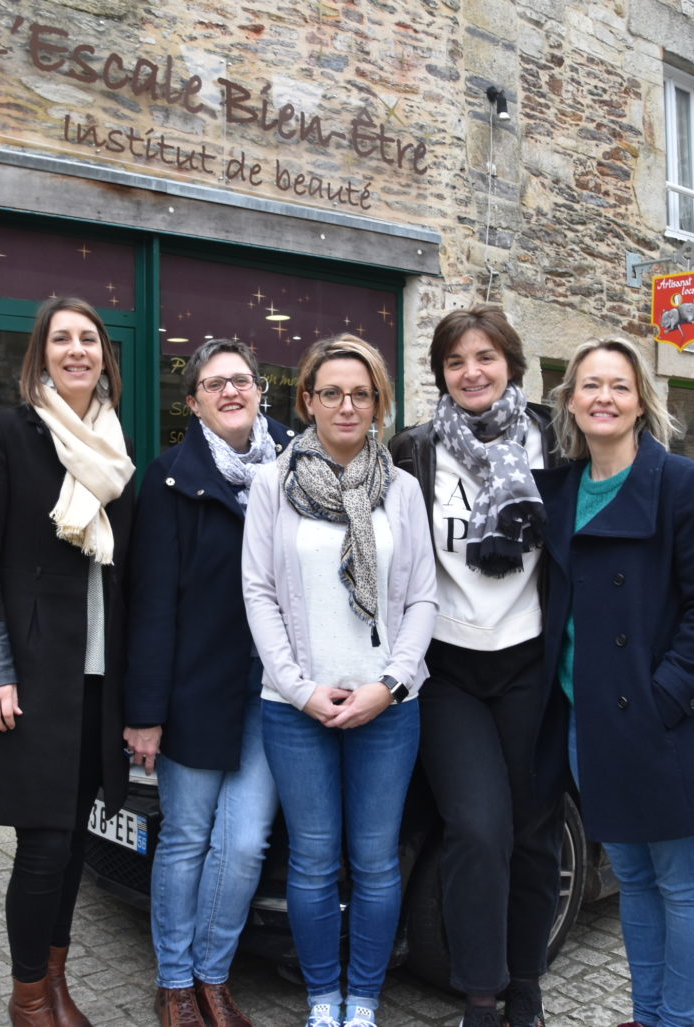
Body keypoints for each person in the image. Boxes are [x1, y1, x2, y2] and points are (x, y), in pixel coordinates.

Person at [535, 336, 694, 1027]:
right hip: (589, 722)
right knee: (631, 878)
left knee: (682, 880)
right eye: (590, 385)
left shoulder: (685, 485)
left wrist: (664, 698)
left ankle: (674, 1021)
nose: (604, 397)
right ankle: (646, 1014)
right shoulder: (560, 491)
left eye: (619, 386)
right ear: (570, 401)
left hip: (664, 722)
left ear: (641, 401)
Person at [0, 297, 136, 1027]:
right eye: (62, 338)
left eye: (89, 338)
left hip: (97, 675)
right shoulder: (2, 434)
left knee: (73, 841)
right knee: (44, 842)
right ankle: (29, 997)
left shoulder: (116, 451)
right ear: (42, 355)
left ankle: (56, 985)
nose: (76, 349)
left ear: (105, 356)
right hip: (31, 674)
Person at [242, 334, 437, 1027]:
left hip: (388, 706)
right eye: (331, 392)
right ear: (308, 400)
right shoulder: (273, 484)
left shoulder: (402, 490)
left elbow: (423, 598)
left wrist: (391, 683)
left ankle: (364, 1002)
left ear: (379, 402)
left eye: (361, 393)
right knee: (314, 860)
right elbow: (258, 592)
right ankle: (323, 999)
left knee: (377, 861)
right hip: (296, 708)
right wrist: (299, 688)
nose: (346, 405)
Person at [387, 306, 566, 1027]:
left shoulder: (555, 441)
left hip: (531, 663)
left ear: (511, 364)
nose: (471, 372)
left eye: (485, 357)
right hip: (449, 669)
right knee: (478, 828)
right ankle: (481, 997)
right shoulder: (415, 449)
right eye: (456, 361)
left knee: (532, 832)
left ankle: (525, 984)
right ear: (441, 373)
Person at [124, 340, 296, 1027]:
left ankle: (213, 976)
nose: (231, 391)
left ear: (260, 391)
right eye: (214, 383)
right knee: (188, 835)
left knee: (246, 841)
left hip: (274, 688)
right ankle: (174, 984)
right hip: (195, 688)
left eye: (242, 380)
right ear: (193, 402)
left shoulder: (298, 465)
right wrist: (145, 712)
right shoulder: (170, 479)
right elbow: (151, 603)